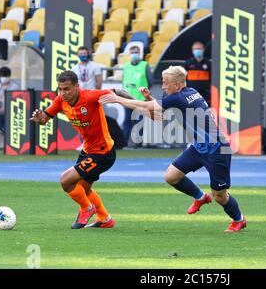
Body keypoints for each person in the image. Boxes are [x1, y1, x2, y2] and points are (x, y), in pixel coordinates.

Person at [99, 66, 247, 232]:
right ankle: (200, 197)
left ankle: (239, 219)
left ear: (177, 86)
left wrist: (118, 99)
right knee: (171, 176)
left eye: (165, 83)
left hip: (217, 149)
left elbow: (150, 108)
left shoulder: (178, 97)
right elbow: (157, 108)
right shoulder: (188, 92)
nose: (163, 86)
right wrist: (149, 99)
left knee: (220, 196)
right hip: (199, 147)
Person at [30, 70, 134, 229]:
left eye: (67, 89)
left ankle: (87, 209)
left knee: (65, 181)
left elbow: (119, 91)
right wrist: (39, 120)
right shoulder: (60, 101)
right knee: (83, 189)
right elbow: (44, 119)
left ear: (77, 87)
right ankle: (105, 219)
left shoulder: (91, 96)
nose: (63, 93)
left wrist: (140, 105)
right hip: (88, 151)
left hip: (103, 152)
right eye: (60, 89)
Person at [121, 45, 153, 147]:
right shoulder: (126, 66)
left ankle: (137, 143)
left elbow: (150, 81)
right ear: (130, 54)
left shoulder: (145, 65)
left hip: (140, 99)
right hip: (128, 99)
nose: (135, 54)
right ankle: (124, 142)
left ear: (140, 54)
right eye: (133, 52)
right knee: (127, 121)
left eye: (136, 52)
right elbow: (124, 81)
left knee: (139, 122)